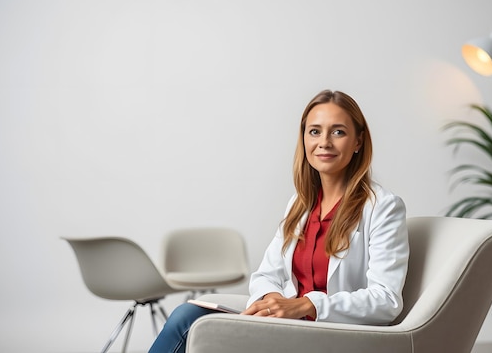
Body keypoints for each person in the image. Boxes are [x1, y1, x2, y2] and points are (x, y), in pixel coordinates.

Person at [148, 89, 409, 353]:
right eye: (315, 131)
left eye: (338, 132)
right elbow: (266, 275)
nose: (324, 142)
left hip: (334, 332)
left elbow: (386, 300)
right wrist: (273, 301)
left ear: (358, 142)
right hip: (290, 323)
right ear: (304, 138)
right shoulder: (300, 203)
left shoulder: (382, 207)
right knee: (188, 316)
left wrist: (308, 305)